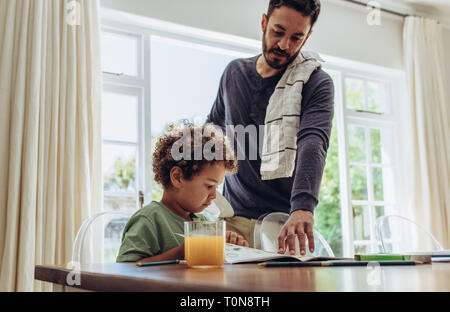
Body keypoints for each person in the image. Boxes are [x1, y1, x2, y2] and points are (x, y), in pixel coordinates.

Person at [207, 0, 334, 255]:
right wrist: (197, 202)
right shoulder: (234, 73)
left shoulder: (316, 82)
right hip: (232, 224)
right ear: (264, 23)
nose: (285, 45)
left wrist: (303, 207)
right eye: (278, 31)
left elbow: (313, 141)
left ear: (307, 37)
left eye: (296, 37)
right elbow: (211, 137)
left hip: (284, 227)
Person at [116, 124, 248, 263]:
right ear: (177, 177)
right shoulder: (149, 219)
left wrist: (230, 245)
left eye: (216, 187)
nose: (214, 195)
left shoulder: (204, 222)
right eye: (209, 186)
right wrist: (181, 252)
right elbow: (125, 267)